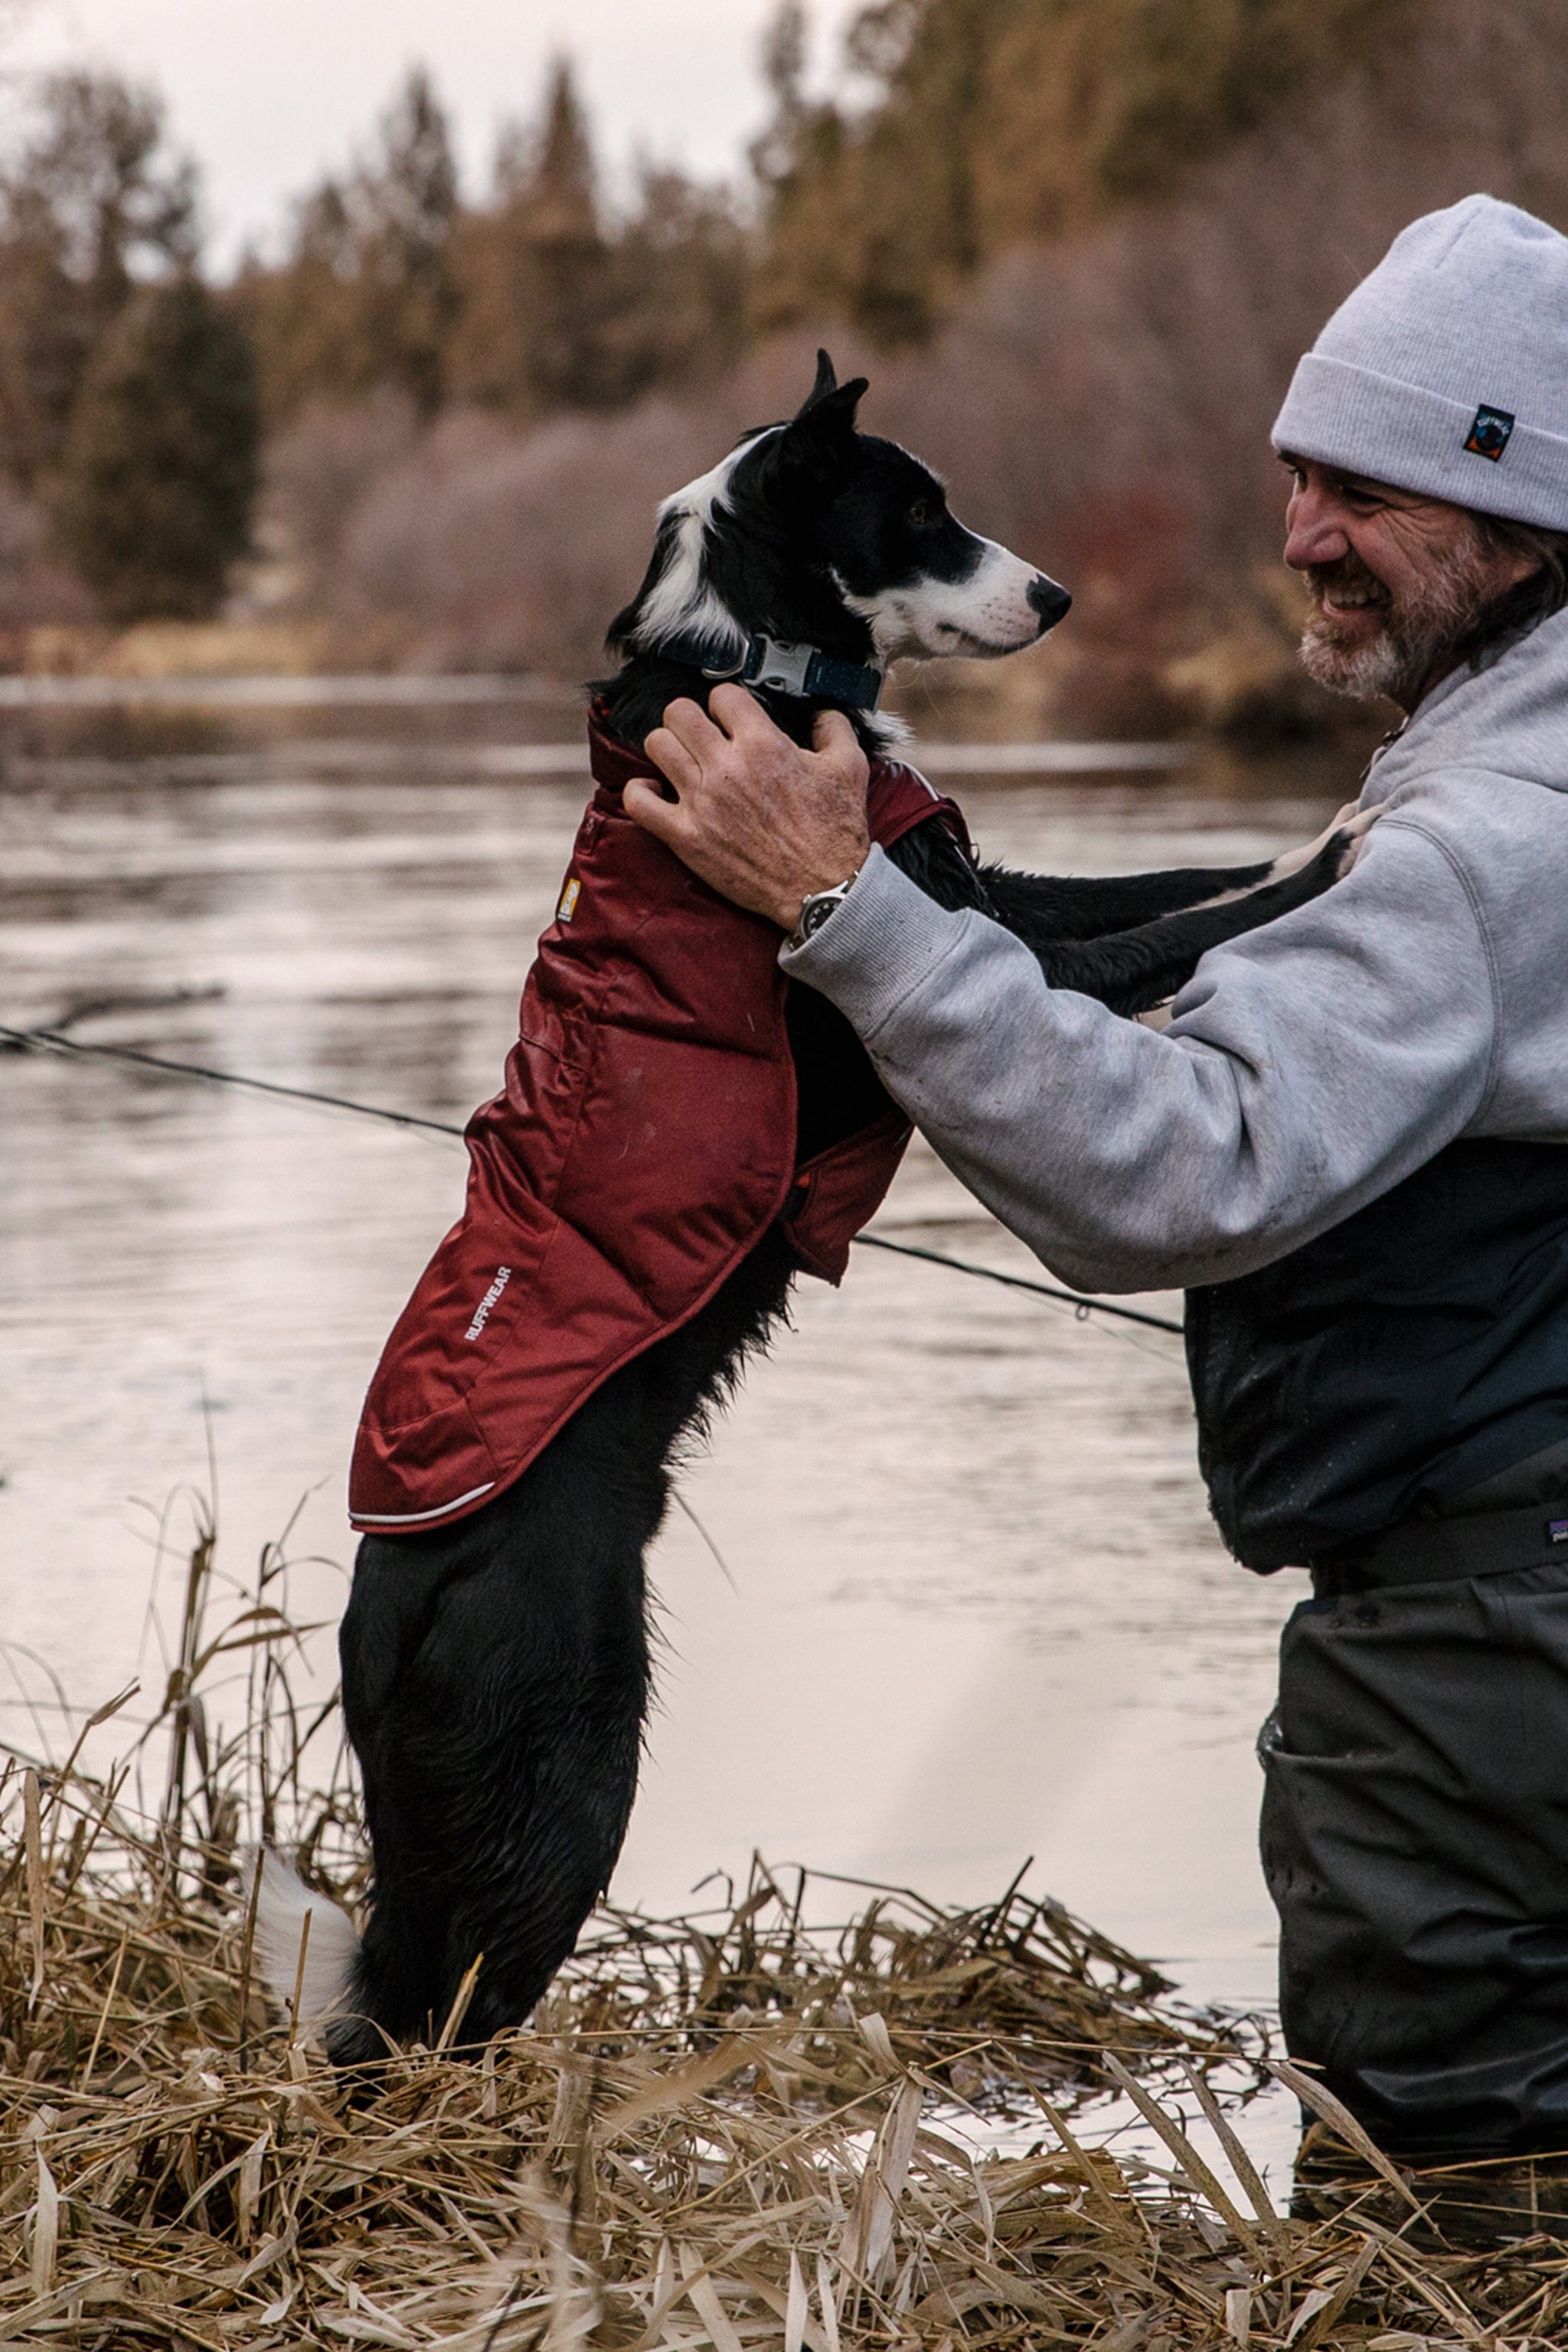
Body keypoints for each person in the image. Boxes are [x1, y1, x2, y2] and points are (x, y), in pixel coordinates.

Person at [622, 194, 1568, 2161]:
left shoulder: (1483, 847)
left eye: (1372, 490)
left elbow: (1173, 1173)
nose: (1304, 532)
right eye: (1301, 472)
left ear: (1525, 527)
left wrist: (840, 907)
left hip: (1481, 1669)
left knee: (1447, 2201)